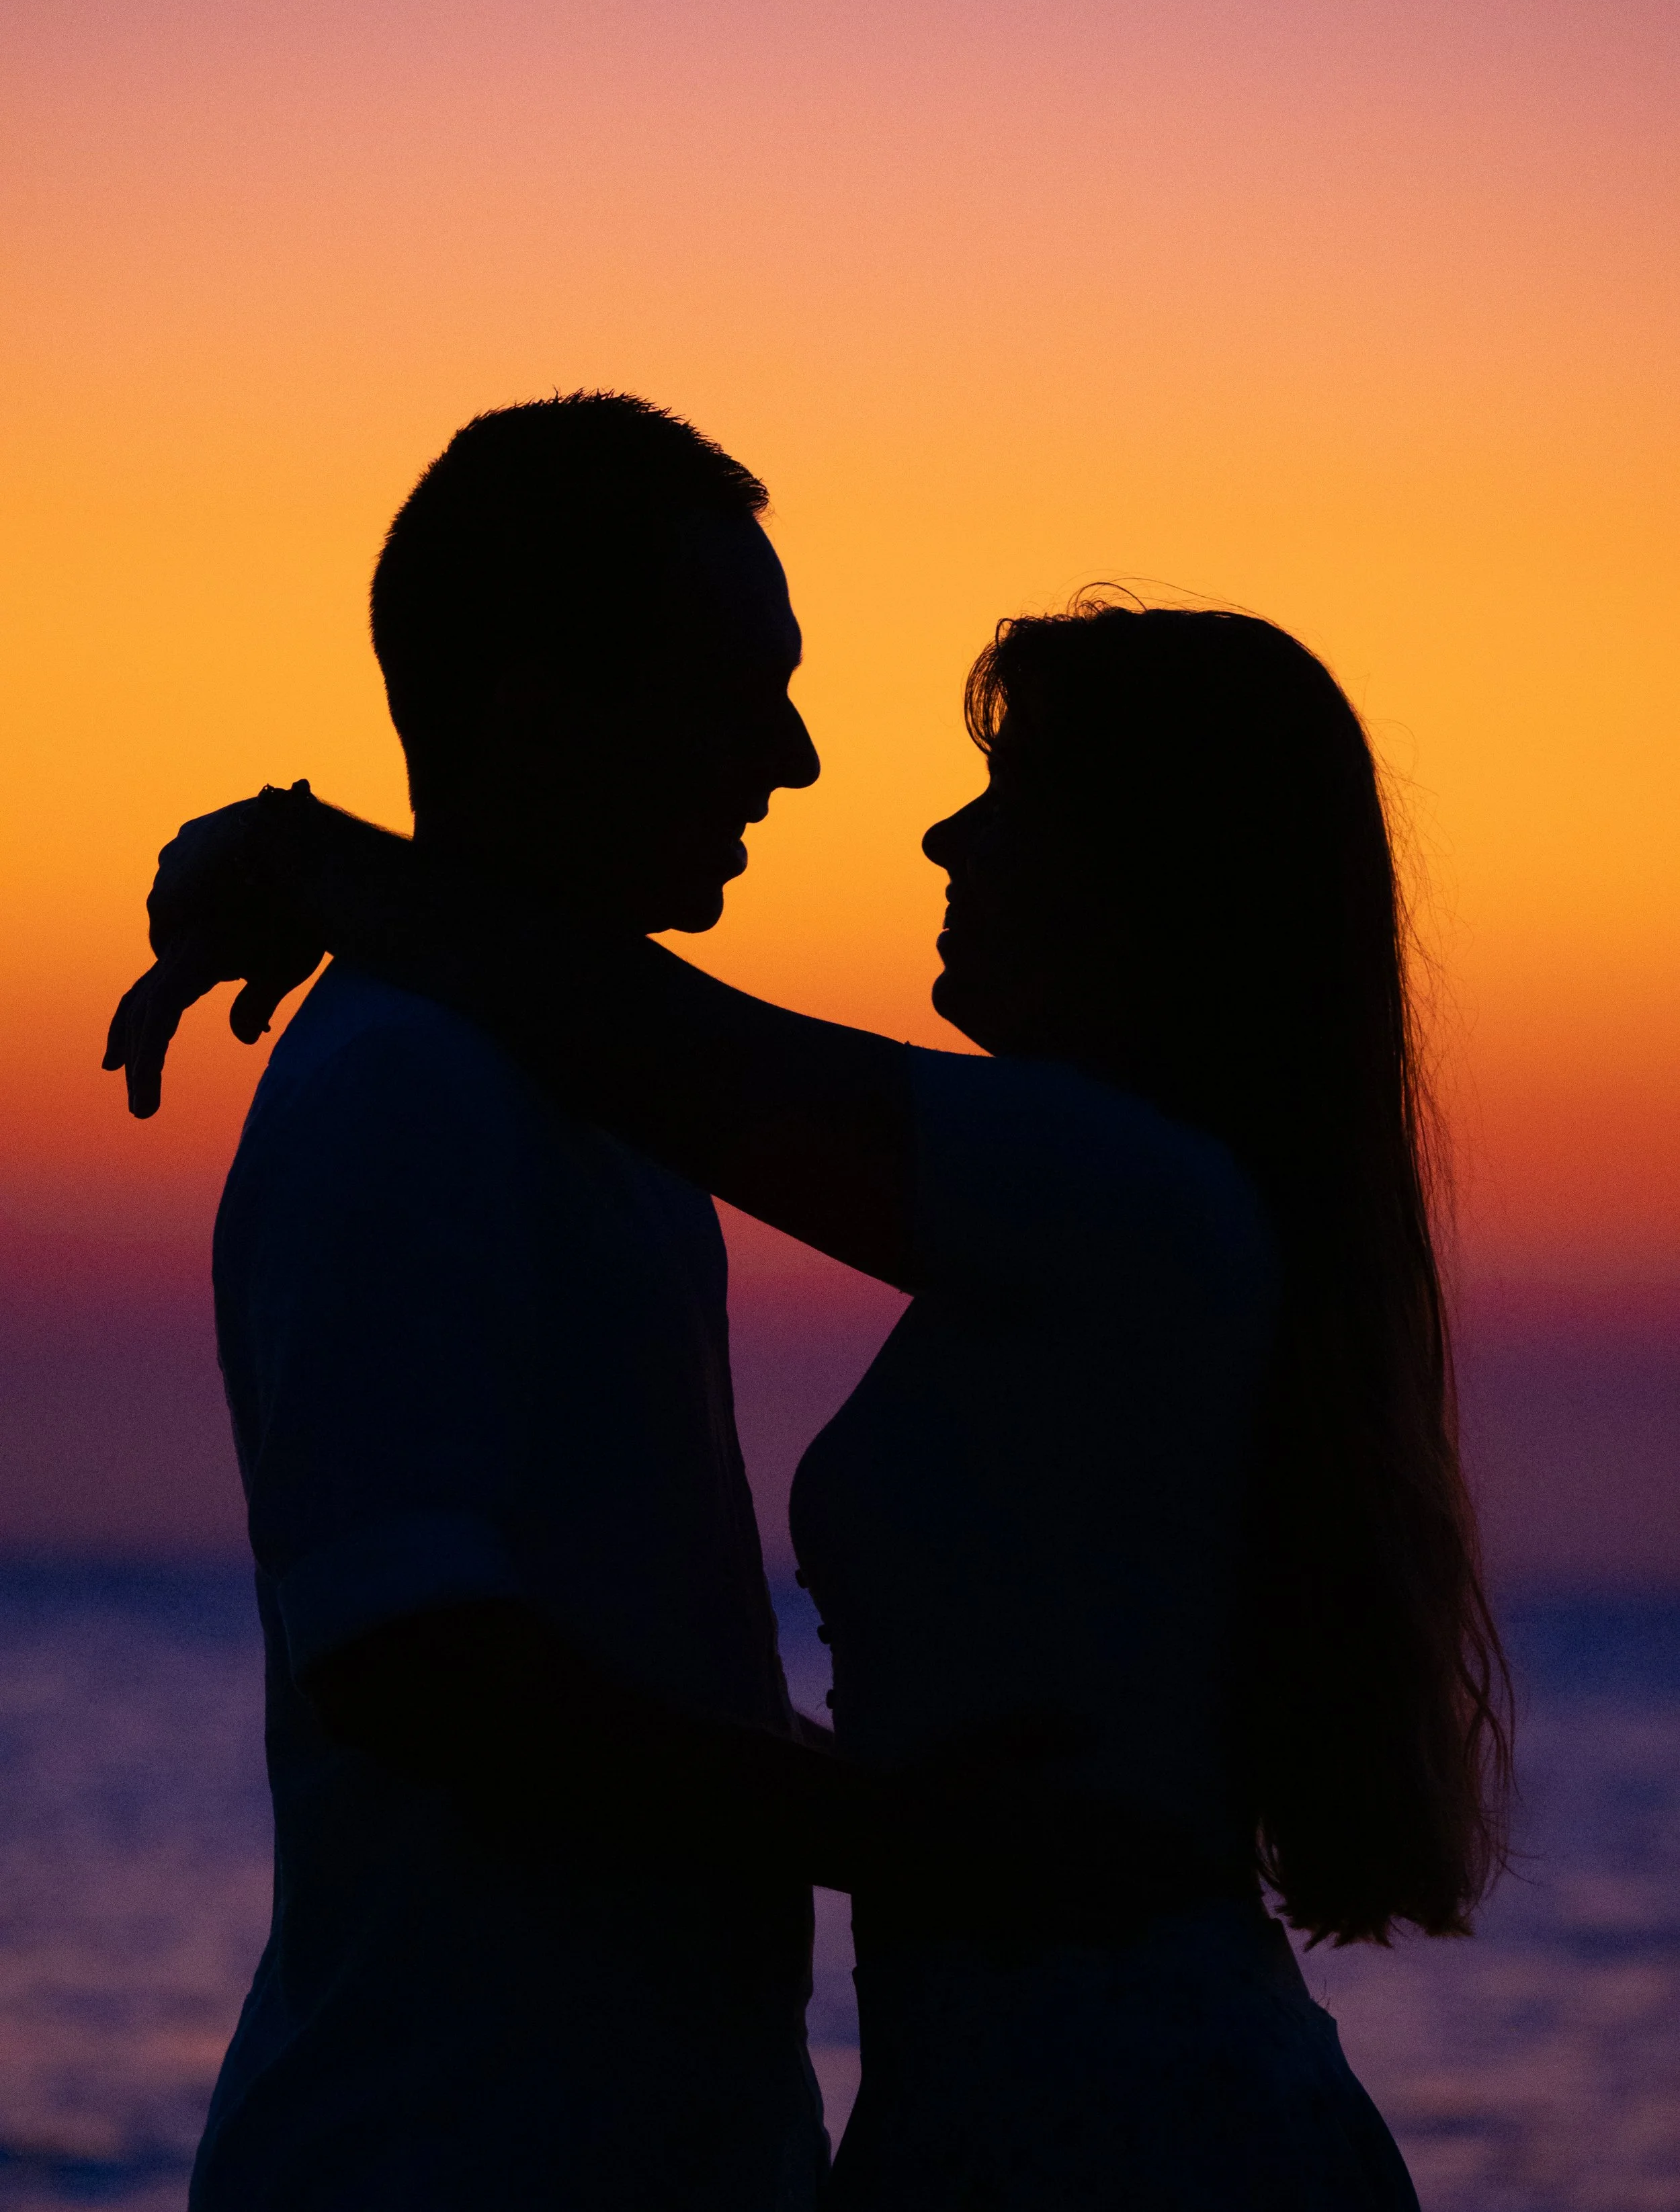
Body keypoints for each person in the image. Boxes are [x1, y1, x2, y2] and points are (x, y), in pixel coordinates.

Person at [113, 590, 1511, 2197]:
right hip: (1031, 2096)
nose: (936, 834)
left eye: (1010, 793)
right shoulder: (1119, 1208)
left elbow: (668, 1048)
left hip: (1124, 2123)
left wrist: (300, 854)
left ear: (1148, 882)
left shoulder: (1123, 1188)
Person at [106, 393, 1107, 2212]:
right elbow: (420, 1666)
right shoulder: (409, 1083)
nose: (793, 758)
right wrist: (913, 1836)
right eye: (739, 685)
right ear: (538, 709)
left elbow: (599, 1661)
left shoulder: (596, 1101)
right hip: (448, 2152)